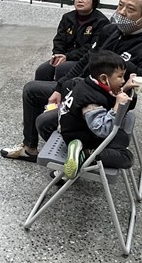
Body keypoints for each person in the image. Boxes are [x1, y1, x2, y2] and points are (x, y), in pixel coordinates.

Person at [0, 0, 142, 162]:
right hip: (84, 88)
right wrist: (60, 88)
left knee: (44, 122)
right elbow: (86, 60)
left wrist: (121, 64)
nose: (122, 12)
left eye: (130, 9)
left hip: (105, 102)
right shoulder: (111, 30)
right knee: (32, 89)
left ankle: (79, 155)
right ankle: (30, 148)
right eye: (120, 5)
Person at [48, 50, 135, 179]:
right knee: (126, 157)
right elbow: (102, 130)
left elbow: (107, 98)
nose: (123, 80)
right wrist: (117, 106)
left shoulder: (92, 84)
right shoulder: (90, 101)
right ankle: (84, 155)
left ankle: (73, 163)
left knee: (121, 139)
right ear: (104, 78)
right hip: (81, 137)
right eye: (120, 76)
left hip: (82, 131)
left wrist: (125, 89)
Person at [34, 0, 109, 81]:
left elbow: (93, 47)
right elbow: (59, 39)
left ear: (94, 2)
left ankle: (60, 94)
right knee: (42, 70)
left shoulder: (101, 22)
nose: (80, 0)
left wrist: (68, 57)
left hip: (84, 60)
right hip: (64, 56)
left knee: (62, 69)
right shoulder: (67, 17)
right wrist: (58, 54)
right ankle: (43, 94)